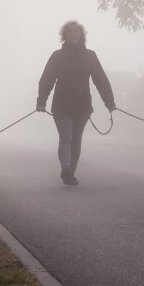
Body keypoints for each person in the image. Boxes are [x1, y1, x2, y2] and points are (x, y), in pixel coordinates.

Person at [36, 21, 115, 185]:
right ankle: (66, 168)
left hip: (82, 106)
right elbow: (46, 79)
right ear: (64, 35)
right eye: (70, 31)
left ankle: (70, 173)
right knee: (66, 137)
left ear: (81, 35)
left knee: (76, 139)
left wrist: (110, 102)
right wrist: (41, 101)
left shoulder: (90, 56)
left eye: (76, 31)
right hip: (61, 105)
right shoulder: (57, 56)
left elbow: (100, 79)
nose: (73, 34)